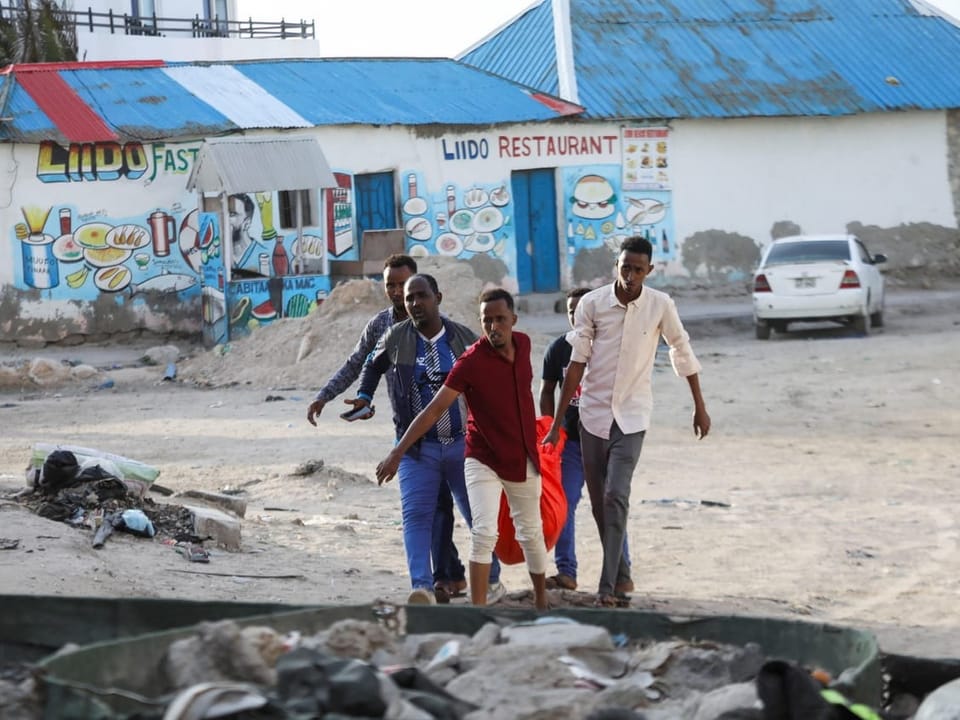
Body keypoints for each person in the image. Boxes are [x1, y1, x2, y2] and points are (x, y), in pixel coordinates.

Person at [543, 236, 711, 608]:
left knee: (616, 495)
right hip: (592, 416)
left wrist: (699, 404)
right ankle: (623, 576)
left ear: (649, 271)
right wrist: (557, 423)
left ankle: (608, 587)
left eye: (638, 269)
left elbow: (680, 349)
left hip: (633, 416)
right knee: (601, 504)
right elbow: (576, 365)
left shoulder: (660, 305)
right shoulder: (592, 304)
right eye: (625, 267)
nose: (630, 275)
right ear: (616, 266)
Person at [377, 288, 549, 612]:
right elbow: (432, 410)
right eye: (487, 320)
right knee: (483, 531)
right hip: (480, 456)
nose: (494, 326)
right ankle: (477, 609)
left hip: (521, 455)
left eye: (500, 319)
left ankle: (542, 601)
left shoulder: (524, 345)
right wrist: (398, 452)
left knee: (531, 533)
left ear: (514, 319)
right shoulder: (470, 361)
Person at [306, 254, 466, 597]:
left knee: (445, 506)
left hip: (449, 431)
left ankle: (449, 574)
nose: (397, 292)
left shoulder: (444, 330)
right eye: (390, 285)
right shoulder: (382, 328)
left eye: (403, 285)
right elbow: (360, 364)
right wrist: (332, 395)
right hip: (409, 430)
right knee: (424, 508)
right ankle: (441, 577)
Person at [352, 274, 503, 605]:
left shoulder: (463, 338)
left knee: (478, 515)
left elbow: (492, 382)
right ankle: (421, 587)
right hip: (417, 449)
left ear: (438, 297)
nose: (415, 303)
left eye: (422, 296)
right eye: (409, 299)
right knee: (416, 515)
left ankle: (491, 580)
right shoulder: (395, 337)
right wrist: (364, 396)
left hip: (463, 446)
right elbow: (371, 367)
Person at [539, 287, 630, 592]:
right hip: (573, 445)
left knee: (610, 504)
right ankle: (566, 572)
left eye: (580, 309)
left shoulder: (611, 347)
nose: (575, 315)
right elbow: (546, 390)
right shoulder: (558, 349)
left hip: (606, 440)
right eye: (570, 310)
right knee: (563, 503)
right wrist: (552, 428)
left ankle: (620, 573)